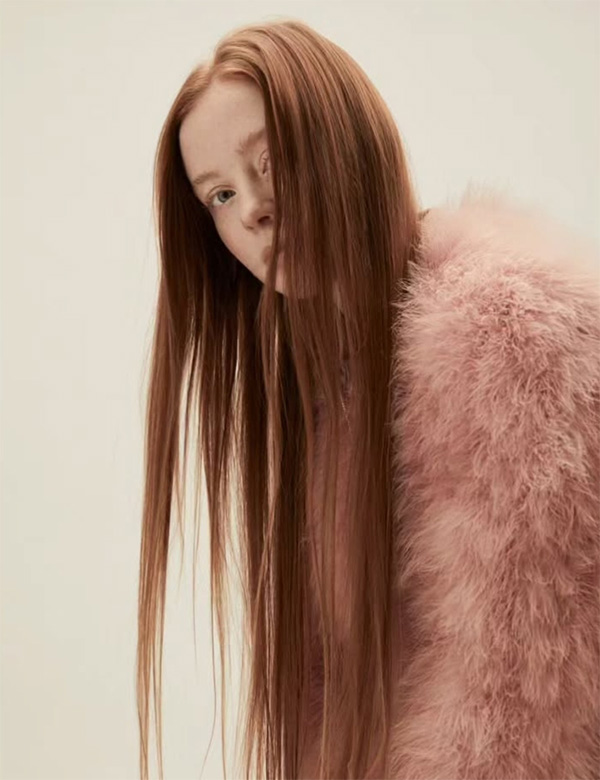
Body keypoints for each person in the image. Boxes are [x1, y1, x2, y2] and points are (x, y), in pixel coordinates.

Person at [137, 18, 600, 780]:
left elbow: (527, 705)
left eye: (271, 161)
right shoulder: (328, 391)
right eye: (219, 194)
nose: (252, 209)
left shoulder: (509, 332)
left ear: (346, 137)